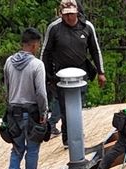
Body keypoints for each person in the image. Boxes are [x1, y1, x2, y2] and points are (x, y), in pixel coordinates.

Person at [42, 0, 106, 144]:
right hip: (60, 73)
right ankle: (67, 137)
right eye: (66, 15)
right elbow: (46, 52)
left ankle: (75, 133)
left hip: (80, 72)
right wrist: (45, 74)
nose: (69, 17)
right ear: (61, 14)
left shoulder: (87, 27)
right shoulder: (54, 28)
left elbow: (95, 50)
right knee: (64, 106)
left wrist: (101, 72)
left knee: (78, 104)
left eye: (71, 14)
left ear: (77, 12)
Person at [3, 27, 50, 169]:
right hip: (31, 111)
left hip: (13, 111)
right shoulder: (37, 65)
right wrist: (44, 112)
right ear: (35, 45)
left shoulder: (9, 62)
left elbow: (7, 87)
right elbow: (41, 92)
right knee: (32, 147)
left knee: (16, 147)